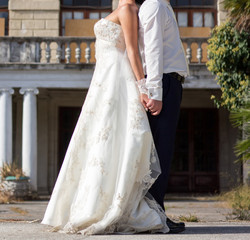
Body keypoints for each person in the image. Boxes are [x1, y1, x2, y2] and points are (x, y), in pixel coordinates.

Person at [41, 0, 170, 235]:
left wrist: (143, 87)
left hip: (118, 78)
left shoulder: (129, 9)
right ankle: (87, 202)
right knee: (96, 137)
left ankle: (110, 204)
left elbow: (132, 49)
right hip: (104, 77)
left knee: (114, 135)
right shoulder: (120, 9)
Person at [137, 0, 189, 233]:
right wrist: (155, 92)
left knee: (161, 152)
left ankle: (156, 213)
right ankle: (154, 217)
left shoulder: (161, 5)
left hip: (169, 83)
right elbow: (153, 50)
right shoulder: (155, 6)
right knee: (160, 152)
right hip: (164, 84)